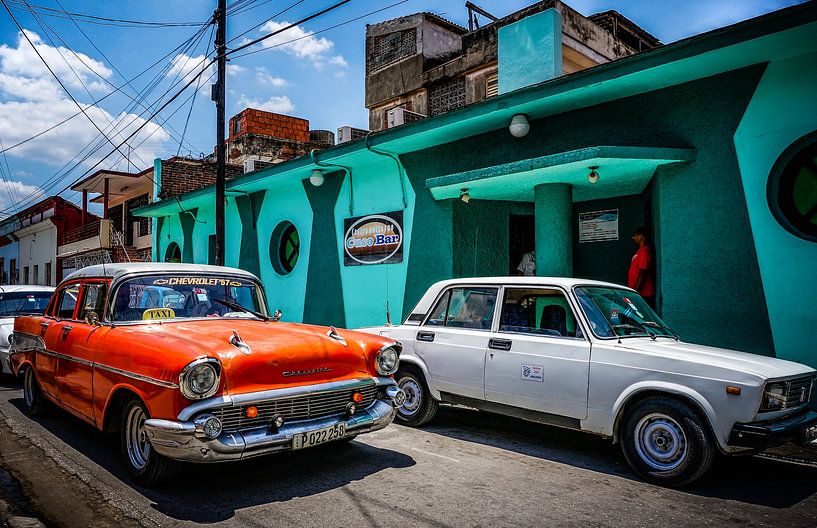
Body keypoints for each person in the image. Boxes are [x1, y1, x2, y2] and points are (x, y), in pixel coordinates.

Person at [628, 227, 655, 309]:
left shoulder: (644, 251)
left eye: (635, 235)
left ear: (641, 236)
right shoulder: (640, 251)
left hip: (643, 294)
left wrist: (636, 291)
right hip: (638, 293)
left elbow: (643, 271)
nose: (633, 238)